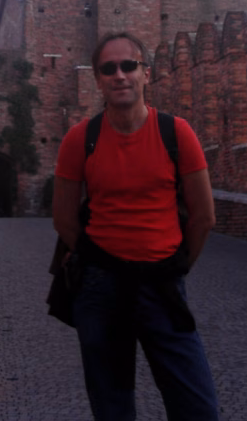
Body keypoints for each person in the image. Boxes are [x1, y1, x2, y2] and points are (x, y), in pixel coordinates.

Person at [52, 32, 219, 421]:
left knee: (197, 407)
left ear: (146, 72)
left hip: (161, 284)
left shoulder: (176, 133)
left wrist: (175, 266)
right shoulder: (80, 139)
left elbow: (204, 217)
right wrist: (100, 260)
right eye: (108, 69)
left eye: (129, 65)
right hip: (101, 287)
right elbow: (63, 217)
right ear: (98, 80)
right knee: (112, 406)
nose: (120, 75)